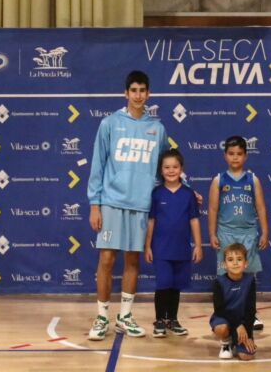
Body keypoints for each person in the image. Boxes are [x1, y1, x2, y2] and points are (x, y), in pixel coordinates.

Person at [86, 70, 169, 340]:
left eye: (142, 91)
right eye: (133, 90)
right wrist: (94, 204)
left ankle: (125, 316)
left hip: (142, 204)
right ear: (126, 93)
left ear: (149, 94)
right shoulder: (109, 124)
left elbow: (166, 167)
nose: (138, 95)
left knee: (133, 260)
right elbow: (98, 165)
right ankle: (101, 317)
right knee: (107, 259)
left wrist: (186, 189)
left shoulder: (157, 129)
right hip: (111, 202)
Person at [208, 135, 269, 330]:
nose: (235, 158)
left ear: (246, 156)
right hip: (226, 232)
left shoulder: (253, 179)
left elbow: (260, 208)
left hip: (248, 233)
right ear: (225, 155)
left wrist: (265, 232)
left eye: (239, 154)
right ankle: (224, 313)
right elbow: (212, 209)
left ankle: (251, 314)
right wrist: (212, 233)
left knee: (248, 274)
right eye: (231, 154)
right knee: (225, 274)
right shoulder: (219, 180)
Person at [144, 149, 202, 337]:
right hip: (161, 249)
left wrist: (199, 245)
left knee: (176, 286)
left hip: (182, 248)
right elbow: (151, 221)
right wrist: (147, 246)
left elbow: (194, 220)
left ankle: (173, 319)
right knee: (164, 284)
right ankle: (160, 320)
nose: (171, 170)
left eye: (175, 167)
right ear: (161, 170)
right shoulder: (156, 194)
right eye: (167, 167)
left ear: (181, 169)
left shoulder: (188, 194)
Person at [210, 243, 258, 360]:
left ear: (246, 263)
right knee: (221, 328)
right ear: (224, 265)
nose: (235, 263)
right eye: (230, 260)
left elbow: (251, 309)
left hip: (242, 322)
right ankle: (226, 343)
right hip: (224, 318)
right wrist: (237, 325)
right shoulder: (219, 282)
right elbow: (220, 309)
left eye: (239, 259)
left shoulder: (250, 280)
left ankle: (236, 342)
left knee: (246, 356)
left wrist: (249, 335)